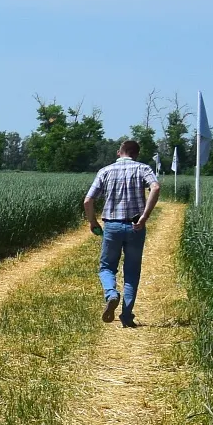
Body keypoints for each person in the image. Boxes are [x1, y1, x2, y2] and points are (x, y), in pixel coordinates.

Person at [83, 138, 161, 327]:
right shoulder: (143, 168)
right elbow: (156, 187)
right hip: (135, 226)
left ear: (119, 152)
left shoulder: (105, 171)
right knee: (132, 271)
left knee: (107, 267)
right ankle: (126, 316)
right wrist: (145, 216)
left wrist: (93, 221)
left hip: (112, 226)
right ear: (136, 154)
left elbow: (88, 200)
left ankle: (111, 294)